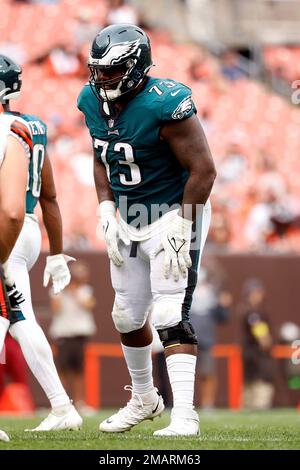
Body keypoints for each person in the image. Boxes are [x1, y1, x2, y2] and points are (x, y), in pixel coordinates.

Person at [78, 24, 216, 436]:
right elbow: (101, 155)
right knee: (125, 314)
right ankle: (144, 398)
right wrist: (105, 205)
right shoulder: (90, 99)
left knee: (171, 312)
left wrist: (182, 221)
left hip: (173, 211)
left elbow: (205, 171)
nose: (101, 80)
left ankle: (185, 415)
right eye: (97, 70)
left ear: (136, 66)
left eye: (111, 70)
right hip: (127, 216)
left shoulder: (166, 102)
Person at [0, 54, 82, 431]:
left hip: (8, 231)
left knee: (9, 316)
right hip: (29, 232)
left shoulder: (6, 130)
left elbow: (12, 207)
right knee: (19, 318)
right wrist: (57, 252)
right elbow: (48, 196)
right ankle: (63, 406)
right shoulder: (30, 126)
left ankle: (63, 406)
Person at [49, 261, 97, 414]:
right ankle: (61, 403)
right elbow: (56, 309)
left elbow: (89, 305)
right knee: (62, 370)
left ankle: (80, 403)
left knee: (78, 370)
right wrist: (63, 290)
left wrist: (75, 292)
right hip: (63, 334)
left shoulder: (86, 290)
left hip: (79, 335)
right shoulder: (56, 290)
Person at [190, 265, 231, 410]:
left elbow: (222, 317)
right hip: (189, 339)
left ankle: (208, 403)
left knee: (207, 372)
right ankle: (185, 403)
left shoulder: (212, 292)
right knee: (186, 373)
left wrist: (223, 305)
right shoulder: (187, 290)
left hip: (206, 339)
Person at [239, 278, 274, 410]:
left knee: (249, 382)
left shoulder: (244, 309)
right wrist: (266, 341)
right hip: (257, 354)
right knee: (261, 381)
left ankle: (249, 406)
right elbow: (259, 329)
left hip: (248, 353)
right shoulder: (253, 311)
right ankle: (259, 406)